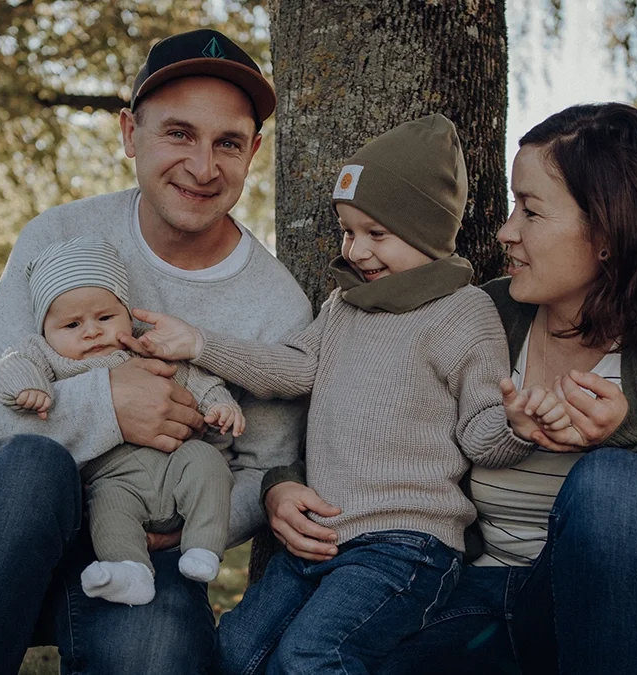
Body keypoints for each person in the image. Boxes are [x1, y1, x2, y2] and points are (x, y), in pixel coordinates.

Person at [263, 103, 637, 675]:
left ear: (606, 230)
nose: (505, 231)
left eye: (530, 211)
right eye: (512, 206)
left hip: (600, 630)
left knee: (613, 482)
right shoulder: (481, 312)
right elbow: (366, 404)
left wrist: (628, 438)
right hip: (471, 605)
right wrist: (283, 484)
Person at [0, 29, 313, 675]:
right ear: (131, 133)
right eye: (179, 133)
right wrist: (110, 401)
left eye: (228, 143)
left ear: (254, 152)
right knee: (28, 467)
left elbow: (263, 466)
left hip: (146, 547)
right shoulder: (58, 237)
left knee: (159, 656)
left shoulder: (276, 307)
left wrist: (186, 524)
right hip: (11, 531)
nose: (203, 165)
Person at [134, 114, 550, 675]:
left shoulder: (463, 312)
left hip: (406, 545)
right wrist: (198, 344)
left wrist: (515, 427)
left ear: (428, 231)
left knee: (316, 656)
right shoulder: (344, 307)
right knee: (235, 649)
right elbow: (293, 369)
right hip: (320, 537)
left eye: (377, 234)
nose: (356, 251)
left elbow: (480, 431)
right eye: (348, 231)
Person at [0, 236, 244, 606]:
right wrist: (27, 386)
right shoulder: (47, 356)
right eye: (72, 325)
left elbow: (196, 380)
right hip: (113, 478)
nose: (91, 331)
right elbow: (11, 363)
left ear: (127, 314)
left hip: (176, 462)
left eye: (105, 318)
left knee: (209, 465)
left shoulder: (146, 346)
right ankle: (129, 571)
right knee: (107, 510)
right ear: (46, 330)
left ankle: (203, 549)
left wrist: (221, 405)